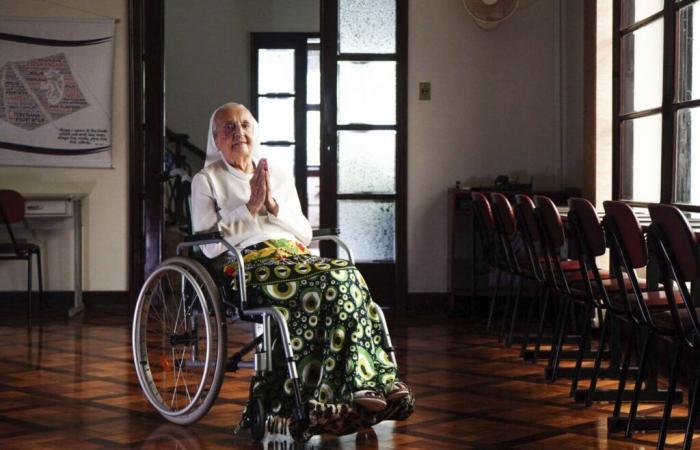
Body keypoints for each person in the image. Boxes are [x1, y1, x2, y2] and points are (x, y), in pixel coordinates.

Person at [191, 103, 414, 439]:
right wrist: (250, 207)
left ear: (256, 131)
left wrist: (274, 206)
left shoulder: (277, 174)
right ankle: (352, 386)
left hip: (293, 258)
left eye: (245, 125)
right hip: (248, 266)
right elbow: (208, 246)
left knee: (345, 274)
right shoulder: (206, 180)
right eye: (229, 128)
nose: (239, 133)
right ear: (215, 139)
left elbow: (304, 233)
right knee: (331, 278)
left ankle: (373, 382)